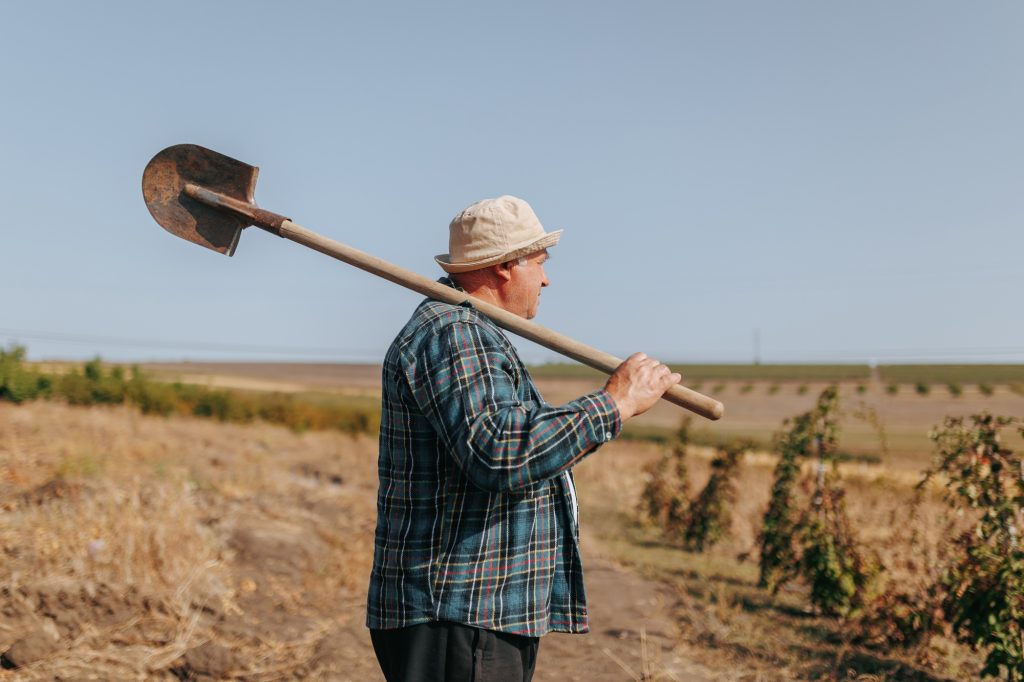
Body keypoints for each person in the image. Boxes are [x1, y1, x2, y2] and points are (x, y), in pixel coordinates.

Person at [366, 195, 681, 682]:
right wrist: (614, 404)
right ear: (506, 267)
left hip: (472, 614)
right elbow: (501, 452)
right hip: (459, 611)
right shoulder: (455, 333)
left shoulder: (470, 330)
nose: (547, 278)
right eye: (539, 262)